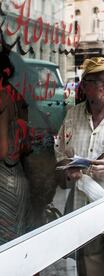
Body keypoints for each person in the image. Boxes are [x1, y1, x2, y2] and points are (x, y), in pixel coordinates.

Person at [55, 56, 104, 275]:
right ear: (86, 86)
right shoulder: (72, 116)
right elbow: (60, 155)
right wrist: (68, 169)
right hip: (85, 215)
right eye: (102, 81)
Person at [0, 49, 31, 245]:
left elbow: (1, 148)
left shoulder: (2, 100)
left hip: (4, 183)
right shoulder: (16, 97)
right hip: (17, 176)